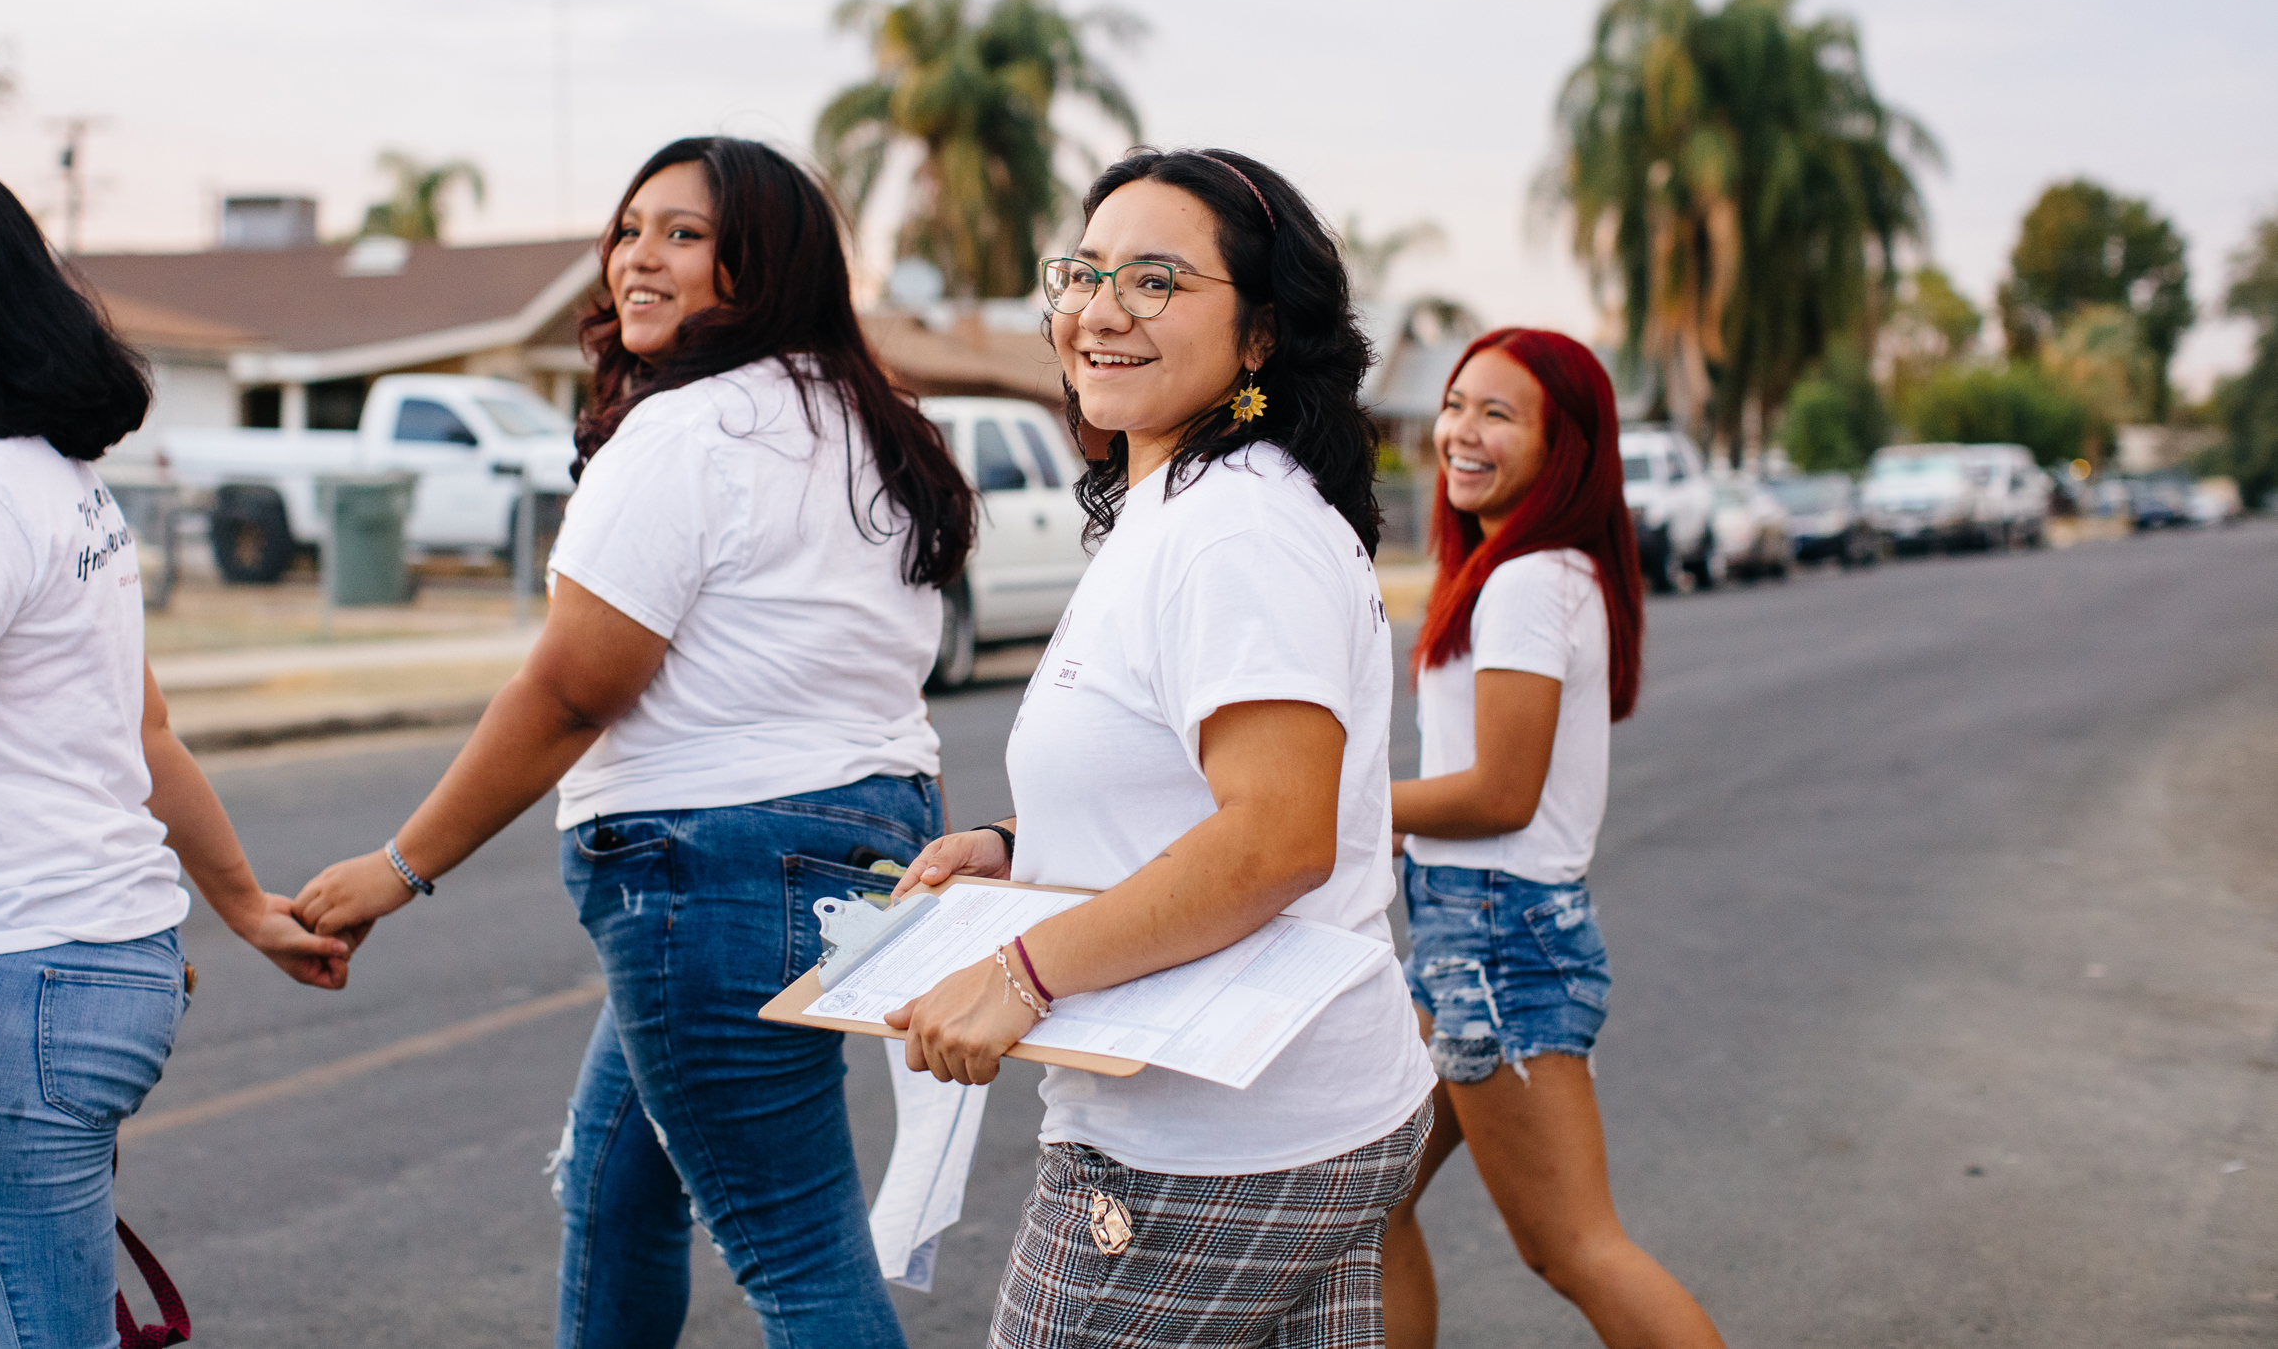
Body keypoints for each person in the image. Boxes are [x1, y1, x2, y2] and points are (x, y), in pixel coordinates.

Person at [292, 136, 972, 1349]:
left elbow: (570, 690)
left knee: (796, 1250)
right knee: (614, 1190)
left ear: (759, 266)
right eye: (630, 228)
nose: (637, 259)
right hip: (860, 850)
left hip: (709, 872)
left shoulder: (690, 430)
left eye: (684, 234)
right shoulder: (868, 428)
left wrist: (396, 868)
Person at [0, 156, 354, 1348]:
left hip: (16, 994)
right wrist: (243, 903)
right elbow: (138, 731)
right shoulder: (51, 482)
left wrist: (241, 903)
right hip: (42, 981)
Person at [887, 148, 1435, 1349]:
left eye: (1155, 279)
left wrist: (1021, 971)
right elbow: (1202, 792)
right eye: (1083, 271)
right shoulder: (1181, 509)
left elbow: (1278, 835)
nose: (1099, 308)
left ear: (1257, 339)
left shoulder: (1234, 527)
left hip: (1208, 1139)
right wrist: (1011, 844)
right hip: (1286, 1109)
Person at [1379, 328, 1725, 1349]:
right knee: (1365, 1199)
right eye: (1455, 403)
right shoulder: (1526, 568)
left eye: (1499, 412)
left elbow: (1499, 794)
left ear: (1563, 443)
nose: (1461, 431)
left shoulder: (1530, 580)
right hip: (1463, 935)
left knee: (1573, 1245)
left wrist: (1344, 803)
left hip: (1496, 937)